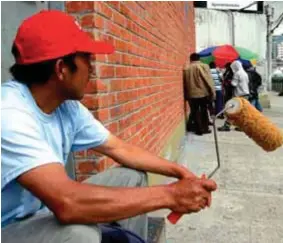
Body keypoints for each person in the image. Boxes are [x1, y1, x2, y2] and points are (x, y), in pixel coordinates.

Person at [1, 10, 217, 243]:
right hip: (8, 229)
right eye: (87, 59)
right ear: (62, 69)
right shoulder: (10, 115)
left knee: (130, 177)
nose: (92, 69)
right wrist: (171, 196)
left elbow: (120, 150)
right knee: (79, 234)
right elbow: (67, 202)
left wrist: (180, 172)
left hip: (39, 213)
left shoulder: (66, 107)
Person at [183, 53, 216, 136]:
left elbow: (184, 83)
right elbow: (208, 80)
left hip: (191, 94)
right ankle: (204, 128)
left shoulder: (186, 68)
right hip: (203, 93)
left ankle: (198, 129)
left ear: (191, 59)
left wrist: (186, 95)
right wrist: (212, 92)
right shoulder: (204, 66)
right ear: (199, 59)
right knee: (204, 110)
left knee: (195, 111)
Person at [218, 60, 250, 132]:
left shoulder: (237, 74)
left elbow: (233, 84)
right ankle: (242, 127)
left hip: (239, 95)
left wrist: (228, 81)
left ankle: (227, 126)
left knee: (232, 111)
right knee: (242, 112)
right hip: (246, 94)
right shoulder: (245, 73)